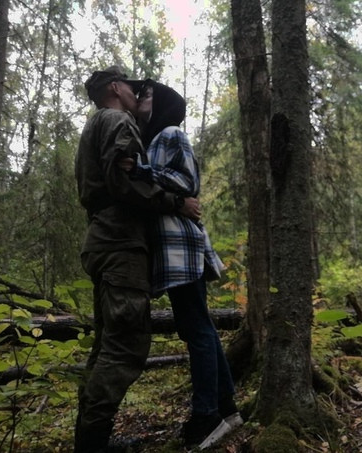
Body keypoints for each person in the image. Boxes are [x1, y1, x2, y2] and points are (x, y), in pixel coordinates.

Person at [74, 66, 201, 453]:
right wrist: (177, 202)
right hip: (120, 243)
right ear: (116, 87)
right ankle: (92, 445)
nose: (137, 93)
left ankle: (90, 439)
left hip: (103, 240)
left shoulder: (96, 124)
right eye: (133, 87)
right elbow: (125, 182)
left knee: (106, 345)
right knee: (125, 346)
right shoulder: (117, 121)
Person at [122, 80, 242, 450]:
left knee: (196, 329)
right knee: (199, 326)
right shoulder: (152, 140)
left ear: (164, 104)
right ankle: (227, 408)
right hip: (174, 248)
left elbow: (186, 181)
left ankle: (206, 416)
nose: (141, 98)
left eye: (148, 95)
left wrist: (139, 170)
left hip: (181, 245)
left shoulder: (171, 133)